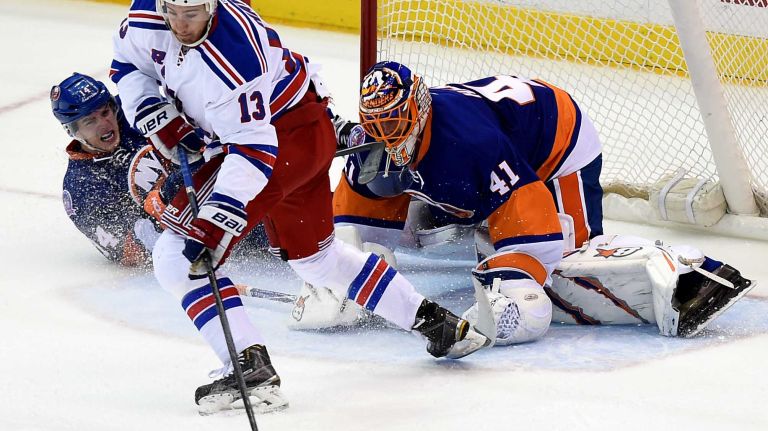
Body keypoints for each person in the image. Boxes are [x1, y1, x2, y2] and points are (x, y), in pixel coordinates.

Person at [110, 0, 489, 416]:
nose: (181, 24)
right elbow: (127, 65)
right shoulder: (147, 14)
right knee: (317, 259)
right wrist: (154, 113)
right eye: (174, 12)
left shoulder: (236, 52)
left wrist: (215, 223)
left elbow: (254, 151)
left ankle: (248, 372)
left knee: (176, 258)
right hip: (307, 131)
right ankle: (437, 323)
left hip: (278, 141)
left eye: (194, 13)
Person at [324, 61, 753, 343]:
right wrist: (342, 263)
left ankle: (688, 273)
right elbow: (353, 211)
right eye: (378, 125)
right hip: (498, 150)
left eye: (396, 123)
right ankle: (476, 220)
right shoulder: (377, 146)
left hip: (556, 143)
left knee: (560, 265)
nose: (388, 136)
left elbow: (535, 230)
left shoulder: (471, 143)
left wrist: (517, 276)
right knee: (459, 217)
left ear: (418, 109)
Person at [52, 73, 173, 267]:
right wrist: (166, 200)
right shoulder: (82, 188)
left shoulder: (133, 110)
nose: (104, 123)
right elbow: (133, 252)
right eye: (90, 122)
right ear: (74, 132)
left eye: (105, 112)